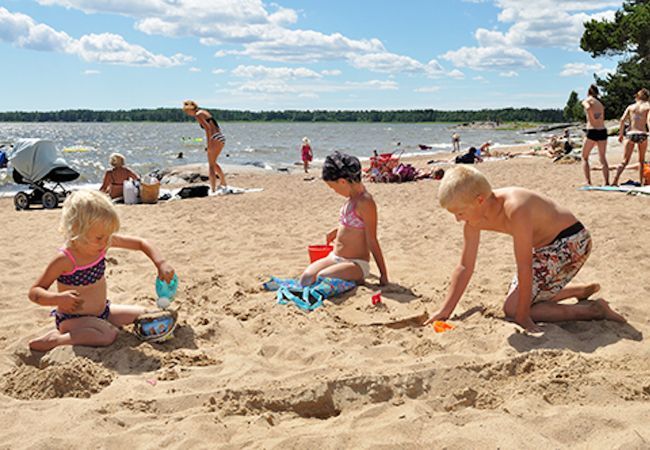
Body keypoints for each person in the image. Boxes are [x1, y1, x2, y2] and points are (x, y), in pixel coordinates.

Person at [424, 166, 625, 332]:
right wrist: (445, 311)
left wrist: (522, 316)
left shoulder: (515, 209)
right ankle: (578, 291)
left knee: (512, 308)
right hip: (545, 250)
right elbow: (465, 267)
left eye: (460, 212)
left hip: (571, 242)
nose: (458, 219)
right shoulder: (473, 220)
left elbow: (525, 265)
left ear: (479, 201)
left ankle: (595, 310)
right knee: (524, 298)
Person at [27, 190, 176, 351]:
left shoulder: (102, 243)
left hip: (104, 311)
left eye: (108, 236)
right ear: (77, 230)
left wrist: (161, 263)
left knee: (145, 314)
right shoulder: (65, 259)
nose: (106, 242)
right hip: (73, 319)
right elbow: (35, 292)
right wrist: (57, 299)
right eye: (99, 238)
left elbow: (141, 243)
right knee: (107, 335)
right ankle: (56, 340)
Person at [300, 152, 388, 287]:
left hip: (356, 263)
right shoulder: (350, 200)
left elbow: (372, 239)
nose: (334, 191)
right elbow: (354, 226)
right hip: (335, 257)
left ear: (342, 181)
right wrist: (336, 232)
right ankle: (345, 278)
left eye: (333, 187)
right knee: (306, 279)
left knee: (323, 278)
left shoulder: (365, 202)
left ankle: (356, 279)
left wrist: (383, 274)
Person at [182, 100, 229, 193]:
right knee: (214, 163)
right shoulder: (203, 112)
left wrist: (209, 144)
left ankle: (213, 189)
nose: (188, 114)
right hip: (220, 137)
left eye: (187, 112)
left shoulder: (198, 114)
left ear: (190, 110)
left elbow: (208, 129)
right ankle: (223, 182)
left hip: (214, 138)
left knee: (211, 166)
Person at [613, 88, 650, 186]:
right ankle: (642, 183)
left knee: (625, 160)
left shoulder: (631, 107)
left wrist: (621, 134)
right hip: (642, 134)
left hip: (631, 134)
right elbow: (649, 121)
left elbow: (622, 120)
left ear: (637, 97)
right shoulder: (648, 107)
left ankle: (615, 181)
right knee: (641, 161)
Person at [581, 84, 610, 185]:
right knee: (602, 157)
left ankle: (588, 182)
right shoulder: (600, 103)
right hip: (602, 130)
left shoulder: (587, 100)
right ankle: (607, 182)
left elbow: (588, 107)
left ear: (588, 92)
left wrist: (591, 119)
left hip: (592, 130)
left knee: (584, 157)